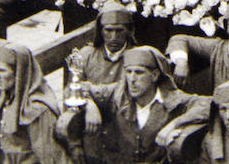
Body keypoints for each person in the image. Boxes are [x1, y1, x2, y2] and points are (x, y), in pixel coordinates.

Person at [74, 45, 211, 164]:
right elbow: (78, 87)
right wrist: (89, 104)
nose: (132, 79)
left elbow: (209, 104)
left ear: (155, 75)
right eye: (128, 72)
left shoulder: (172, 99)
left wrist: (174, 124)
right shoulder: (117, 93)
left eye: (139, 73)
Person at [0, 43, 66, 164]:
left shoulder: (37, 108)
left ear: (19, 74)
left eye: (2, 71)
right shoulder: (10, 95)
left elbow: (50, 158)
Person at [67, 1, 136, 85]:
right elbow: (73, 89)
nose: (114, 37)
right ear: (100, 31)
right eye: (108, 30)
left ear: (129, 31)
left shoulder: (137, 56)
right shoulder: (86, 56)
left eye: (119, 31)